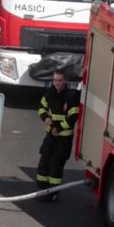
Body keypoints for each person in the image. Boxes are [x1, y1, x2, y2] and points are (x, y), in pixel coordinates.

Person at [36, 68, 80, 199]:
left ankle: (52, 193)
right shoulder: (50, 93)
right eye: (55, 80)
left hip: (63, 138)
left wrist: (58, 128)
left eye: (60, 80)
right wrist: (45, 118)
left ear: (65, 81)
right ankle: (41, 189)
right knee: (44, 162)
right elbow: (41, 107)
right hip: (50, 136)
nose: (57, 83)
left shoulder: (71, 96)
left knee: (56, 165)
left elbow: (73, 117)